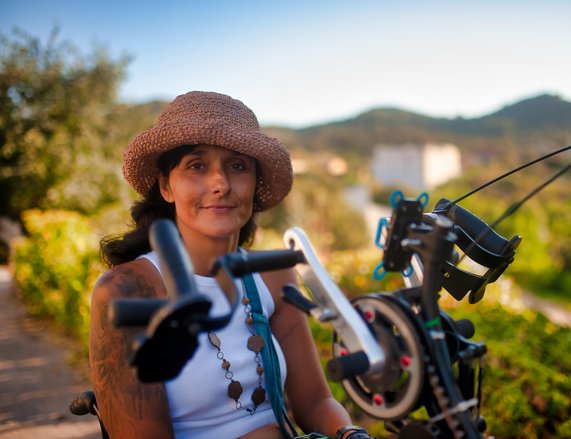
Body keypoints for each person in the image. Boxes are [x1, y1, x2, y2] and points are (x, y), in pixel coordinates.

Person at [88, 91, 371, 439]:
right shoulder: (128, 291)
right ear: (166, 185)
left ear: (254, 184)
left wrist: (349, 433)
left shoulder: (271, 275)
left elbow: (314, 404)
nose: (220, 184)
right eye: (197, 165)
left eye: (237, 166)